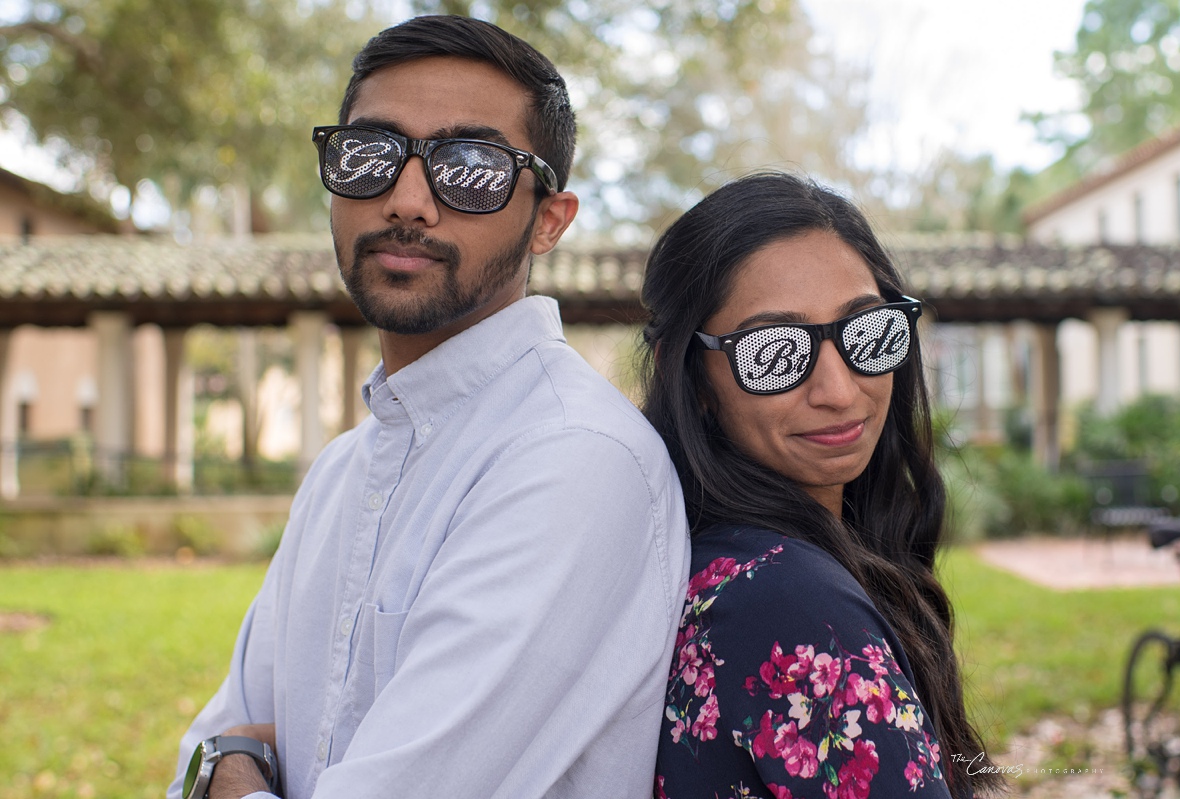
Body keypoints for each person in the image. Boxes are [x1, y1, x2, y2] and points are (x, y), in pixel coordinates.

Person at [169, 16, 690, 799]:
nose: (407, 200)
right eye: (370, 155)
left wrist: (232, 772)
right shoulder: (343, 470)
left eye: (470, 166)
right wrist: (225, 761)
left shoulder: (576, 461)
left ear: (549, 219)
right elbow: (210, 742)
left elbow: (225, 757)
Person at [641, 173, 1002, 799]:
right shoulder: (786, 599)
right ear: (694, 378)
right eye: (773, 351)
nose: (838, 392)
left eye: (869, 332)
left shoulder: (718, 564)